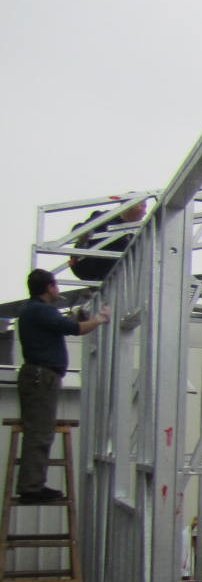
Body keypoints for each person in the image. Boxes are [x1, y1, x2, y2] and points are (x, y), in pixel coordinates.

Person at [15, 269, 110, 504]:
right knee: (40, 432)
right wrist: (99, 319)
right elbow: (75, 329)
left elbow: (65, 325)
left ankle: (33, 485)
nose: (58, 290)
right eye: (56, 285)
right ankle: (31, 488)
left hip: (37, 377)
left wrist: (79, 317)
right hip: (41, 378)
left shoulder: (34, 310)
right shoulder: (41, 310)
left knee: (39, 430)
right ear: (49, 287)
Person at [67, 198, 147, 282]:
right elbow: (79, 228)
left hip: (107, 275)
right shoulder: (107, 217)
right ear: (130, 205)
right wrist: (84, 235)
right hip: (86, 264)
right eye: (143, 206)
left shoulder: (135, 233)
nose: (145, 212)